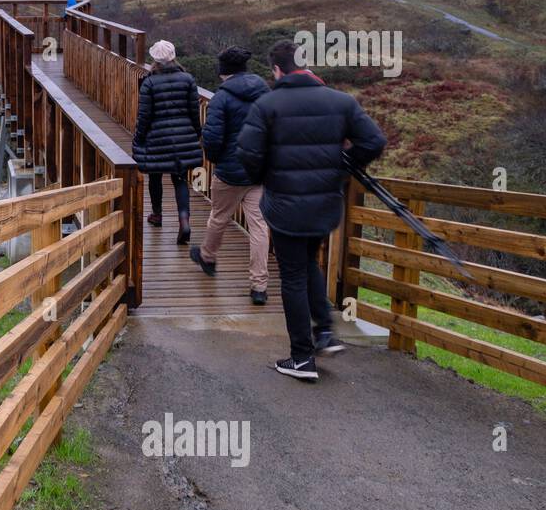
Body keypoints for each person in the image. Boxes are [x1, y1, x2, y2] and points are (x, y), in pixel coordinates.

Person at [236, 40, 387, 381]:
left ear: (276, 70)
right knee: (308, 263)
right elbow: (374, 142)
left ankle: (302, 358)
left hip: (285, 206)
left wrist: (265, 177)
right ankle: (325, 333)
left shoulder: (267, 104)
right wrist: (343, 166)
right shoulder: (341, 102)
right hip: (325, 204)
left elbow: (247, 152)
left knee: (291, 275)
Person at [190, 46, 271, 305]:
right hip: (259, 169)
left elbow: (212, 138)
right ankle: (259, 286)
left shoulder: (221, 98)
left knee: (219, 215)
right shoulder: (265, 92)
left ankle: (208, 256)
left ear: (223, 71)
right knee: (259, 225)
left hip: (230, 170)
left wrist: (217, 159)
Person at [133, 39, 202, 245]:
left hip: (157, 137)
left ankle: (157, 214)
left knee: (155, 176)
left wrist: (139, 137)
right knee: (180, 180)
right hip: (183, 137)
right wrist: (196, 134)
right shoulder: (188, 79)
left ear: (155, 59)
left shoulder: (150, 82)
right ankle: (184, 220)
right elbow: (193, 111)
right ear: (173, 57)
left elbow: (144, 115)